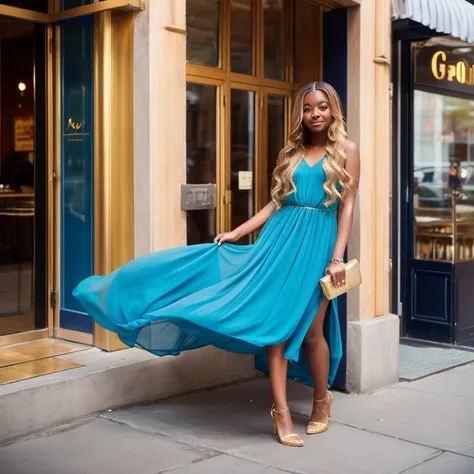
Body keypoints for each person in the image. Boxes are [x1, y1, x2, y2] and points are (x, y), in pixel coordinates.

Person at [73, 81, 360, 448]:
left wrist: (337, 257)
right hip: (278, 245)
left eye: (321, 107)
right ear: (300, 114)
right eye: (307, 108)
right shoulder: (292, 152)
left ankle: (322, 400)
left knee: (312, 332)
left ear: (333, 109)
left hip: (318, 246)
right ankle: (282, 412)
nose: (315, 114)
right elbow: (275, 204)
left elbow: (347, 207)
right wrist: (239, 231)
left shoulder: (347, 150)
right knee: (275, 328)